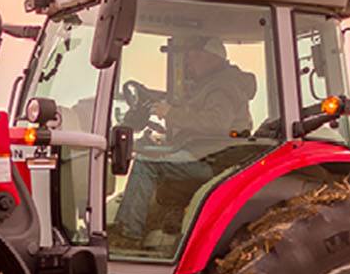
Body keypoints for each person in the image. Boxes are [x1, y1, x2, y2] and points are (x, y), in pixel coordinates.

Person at [109, 34, 256, 250]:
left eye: (193, 57)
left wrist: (171, 113)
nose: (188, 62)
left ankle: (129, 234)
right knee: (148, 149)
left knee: (146, 163)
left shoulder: (223, 87)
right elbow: (193, 110)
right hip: (202, 151)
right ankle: (141, 225)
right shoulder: (208, 84)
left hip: (211, 159)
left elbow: (216, 124)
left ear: (211, 57)